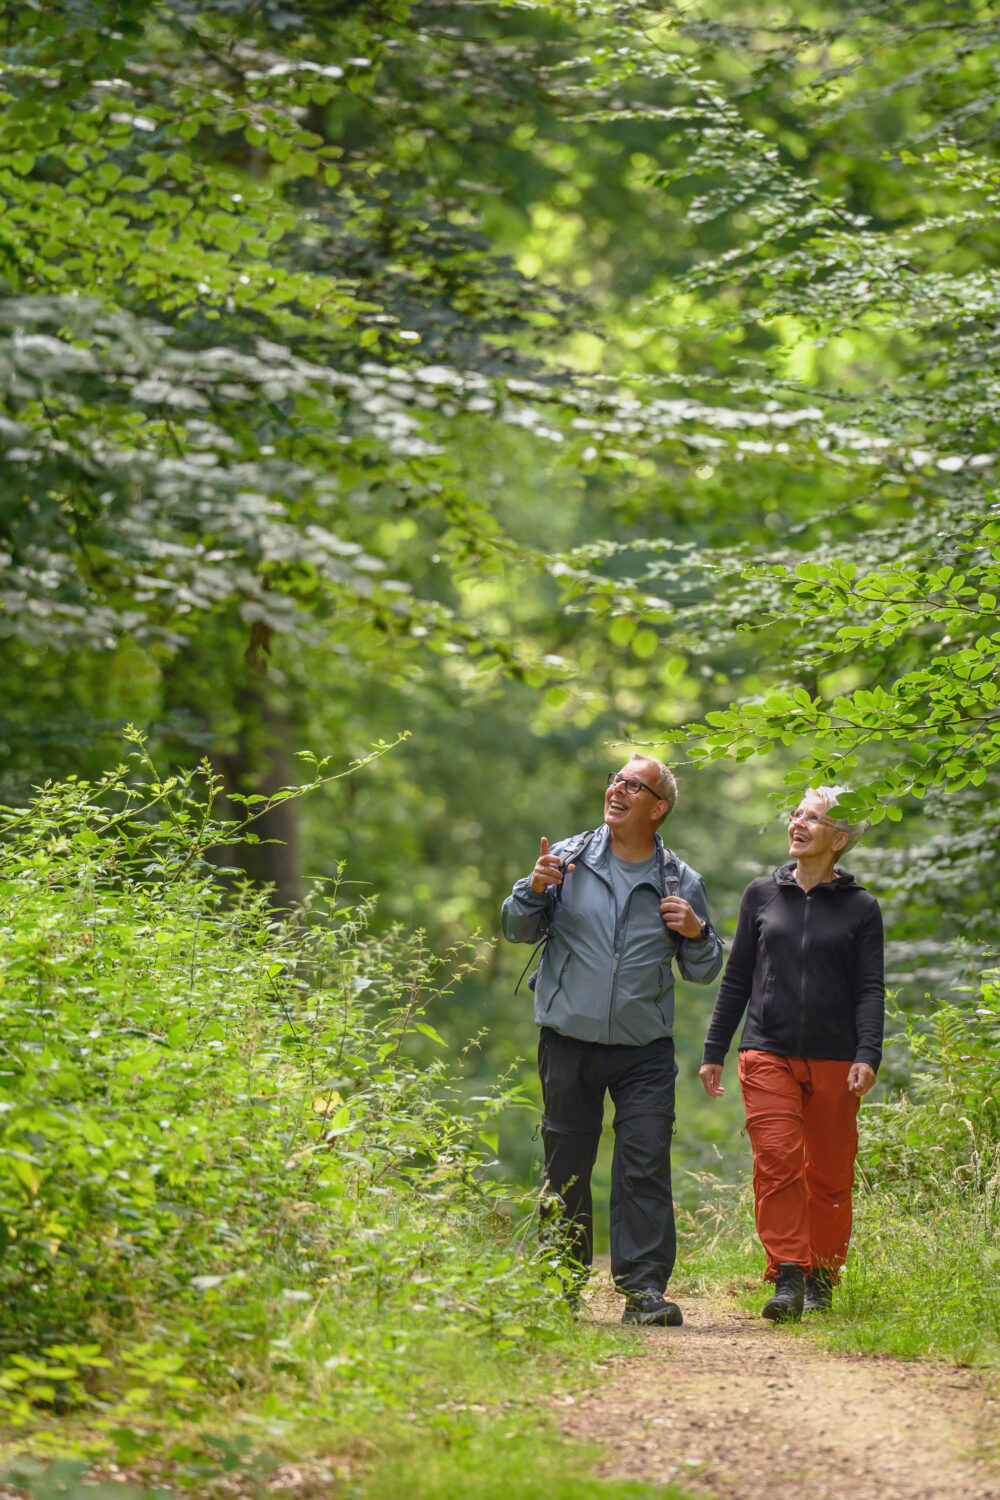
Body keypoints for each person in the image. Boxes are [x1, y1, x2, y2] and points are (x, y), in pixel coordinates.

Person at [502, 756, 723, 1327]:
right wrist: (533, 888)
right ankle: (560, 1284)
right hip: (568, 1040)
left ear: (658, 807)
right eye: (616, 780)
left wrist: (697, 932)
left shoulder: (680, 880)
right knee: (567, 1166)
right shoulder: (567, 859)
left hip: (644, 1049)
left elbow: (703, 970)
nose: (618, 789)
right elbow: (514, 928)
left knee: (644, 1164)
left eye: (634, 785)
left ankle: (644, 1291)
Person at [699, 786, 884, 1321]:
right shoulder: (761, 894)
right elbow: (737, 977)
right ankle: (787, 1275)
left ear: (839, 839)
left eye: (813, 818)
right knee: (777, 1162)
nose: (798, 823)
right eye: (797, 813)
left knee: (828, 1173)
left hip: (836, 1058)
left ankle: (822, 1276)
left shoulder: (861, 907)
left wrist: (867, 1053)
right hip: (766, 1051)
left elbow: (869, 987)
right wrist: (714, 1049)